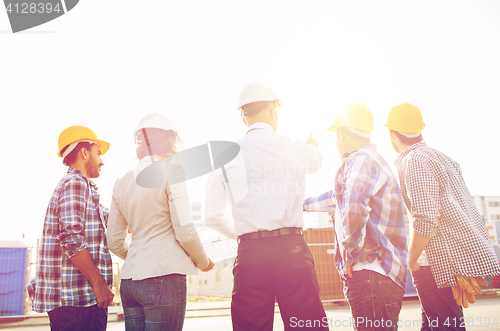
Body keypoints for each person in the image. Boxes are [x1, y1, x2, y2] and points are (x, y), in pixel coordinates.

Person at [205, 81, 328, 331]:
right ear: (274, 111)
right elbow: (316, 161)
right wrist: (312, 144)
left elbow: (212, 216)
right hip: (291, 250)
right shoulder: (294, 147)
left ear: (243, 118)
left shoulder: (225, 157)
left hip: (251, 254)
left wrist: (242, 234)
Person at [386, 103, 500, 331]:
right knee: (437, 325)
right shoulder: (444, 159)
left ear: (391, 134)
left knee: (443, 326)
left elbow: (426, 218)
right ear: (421, 129)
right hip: (449, 261)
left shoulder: (414, 161)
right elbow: (466, 213)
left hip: (434, 265)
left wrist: (412, 258)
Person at [304, 104, 408, 331]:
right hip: (377, 276)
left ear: (341, 134)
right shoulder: (369, 160)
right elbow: (338, 198)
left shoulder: (361, 159)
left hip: (372, 273)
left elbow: (353, 205)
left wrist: (352, 252)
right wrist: (302, 205)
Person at [108, 112, 214, 331]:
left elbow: (114, 242)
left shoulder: (121, 182)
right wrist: (204, 262)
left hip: (129, 282)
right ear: (168, 141)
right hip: (163, 277)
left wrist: (143, 256)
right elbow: (184, 231)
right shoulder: (171, 172)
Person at [26, 126, 114, 331]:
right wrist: (99, 284)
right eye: (98, 153)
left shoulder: (83, 190)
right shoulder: (75, 183)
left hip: (76, 303)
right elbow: (71, 238)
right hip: (77, 302)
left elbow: (113, 219)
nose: (102, 161)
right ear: (84, 152)